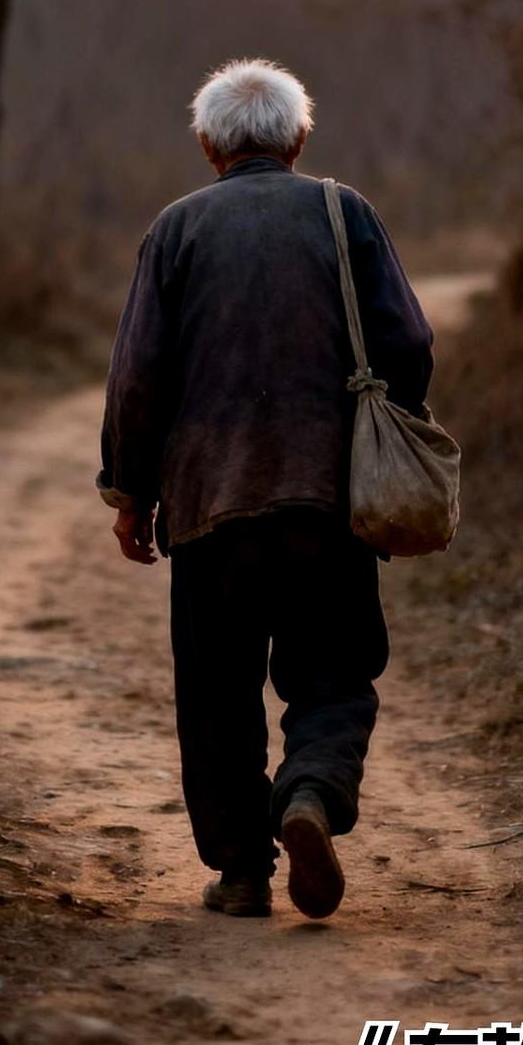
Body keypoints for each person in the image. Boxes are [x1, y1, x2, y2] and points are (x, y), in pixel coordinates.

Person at [96, 58, 434, 920]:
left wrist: (130, 491)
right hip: (327, 500)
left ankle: (243, 872)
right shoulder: (343, 210)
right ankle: (311, 796)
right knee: (334, 672)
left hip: (211, 506)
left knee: (217, 693)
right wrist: (381, 438)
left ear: (210, 144)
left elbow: (137, 377)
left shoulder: (174, 230)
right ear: (298, 138)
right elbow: (409, 344)